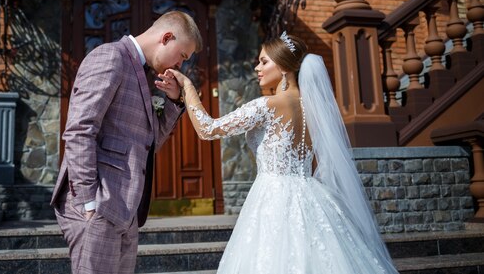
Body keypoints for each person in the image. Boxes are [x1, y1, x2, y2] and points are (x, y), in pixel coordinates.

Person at [162, 32, 398, 274]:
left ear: (284, 67)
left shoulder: (267, 106)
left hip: (273, 198)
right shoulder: (316, 108)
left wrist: (188, 87)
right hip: (312, 195)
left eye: (264, 62)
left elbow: (207, 129)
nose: (257, 67)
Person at [51, 10, 202, 274]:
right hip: (98, 204)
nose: (181, 65)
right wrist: (89, 202)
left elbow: (151, 141)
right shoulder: (110, 57)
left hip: (126, 209)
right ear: (166, 37)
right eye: (182, 55)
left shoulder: (145, 74)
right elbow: (79, 130)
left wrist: (173, 101)